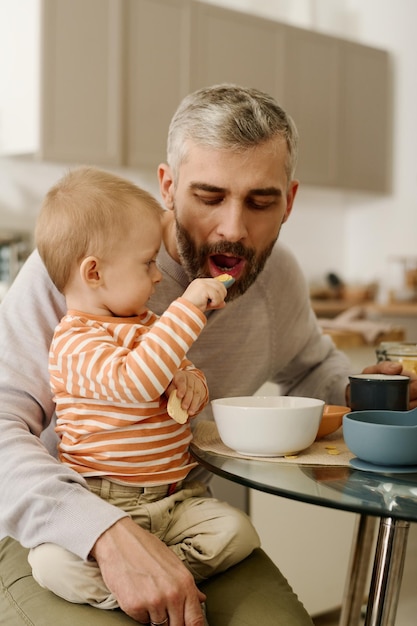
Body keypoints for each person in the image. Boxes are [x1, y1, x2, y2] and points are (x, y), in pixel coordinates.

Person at [0, 84, 416, 626]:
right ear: (168, 187)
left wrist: (368, 391)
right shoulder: (82, 270)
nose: (233, 229)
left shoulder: (279, 277)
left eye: (261, 202)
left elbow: (311, 366)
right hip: (53, 525)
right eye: (209, 196)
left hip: (185, 518)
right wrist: (101, 533)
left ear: (289, 202)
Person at [26, 166, 260, 619]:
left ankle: (167, 573)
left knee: (238, 530)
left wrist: (193, 384)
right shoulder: (75, 341)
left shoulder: (150, 326)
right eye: (147, 263)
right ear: (93, 272)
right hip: (102, 502)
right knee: (51, 564)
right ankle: (129, 587)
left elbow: (179, 367)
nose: (158, 277)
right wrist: (187, 306)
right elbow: (136, 383)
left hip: (174, 502)